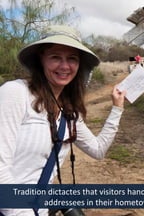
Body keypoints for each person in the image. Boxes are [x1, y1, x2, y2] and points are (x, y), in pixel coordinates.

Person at [0, 25, 126, 215]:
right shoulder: (16, 93)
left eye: (72, 58)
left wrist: (116, 108)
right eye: (55, 57)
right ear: (40, 59)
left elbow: (98, 150)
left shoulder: (68, 112)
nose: (65, 66)